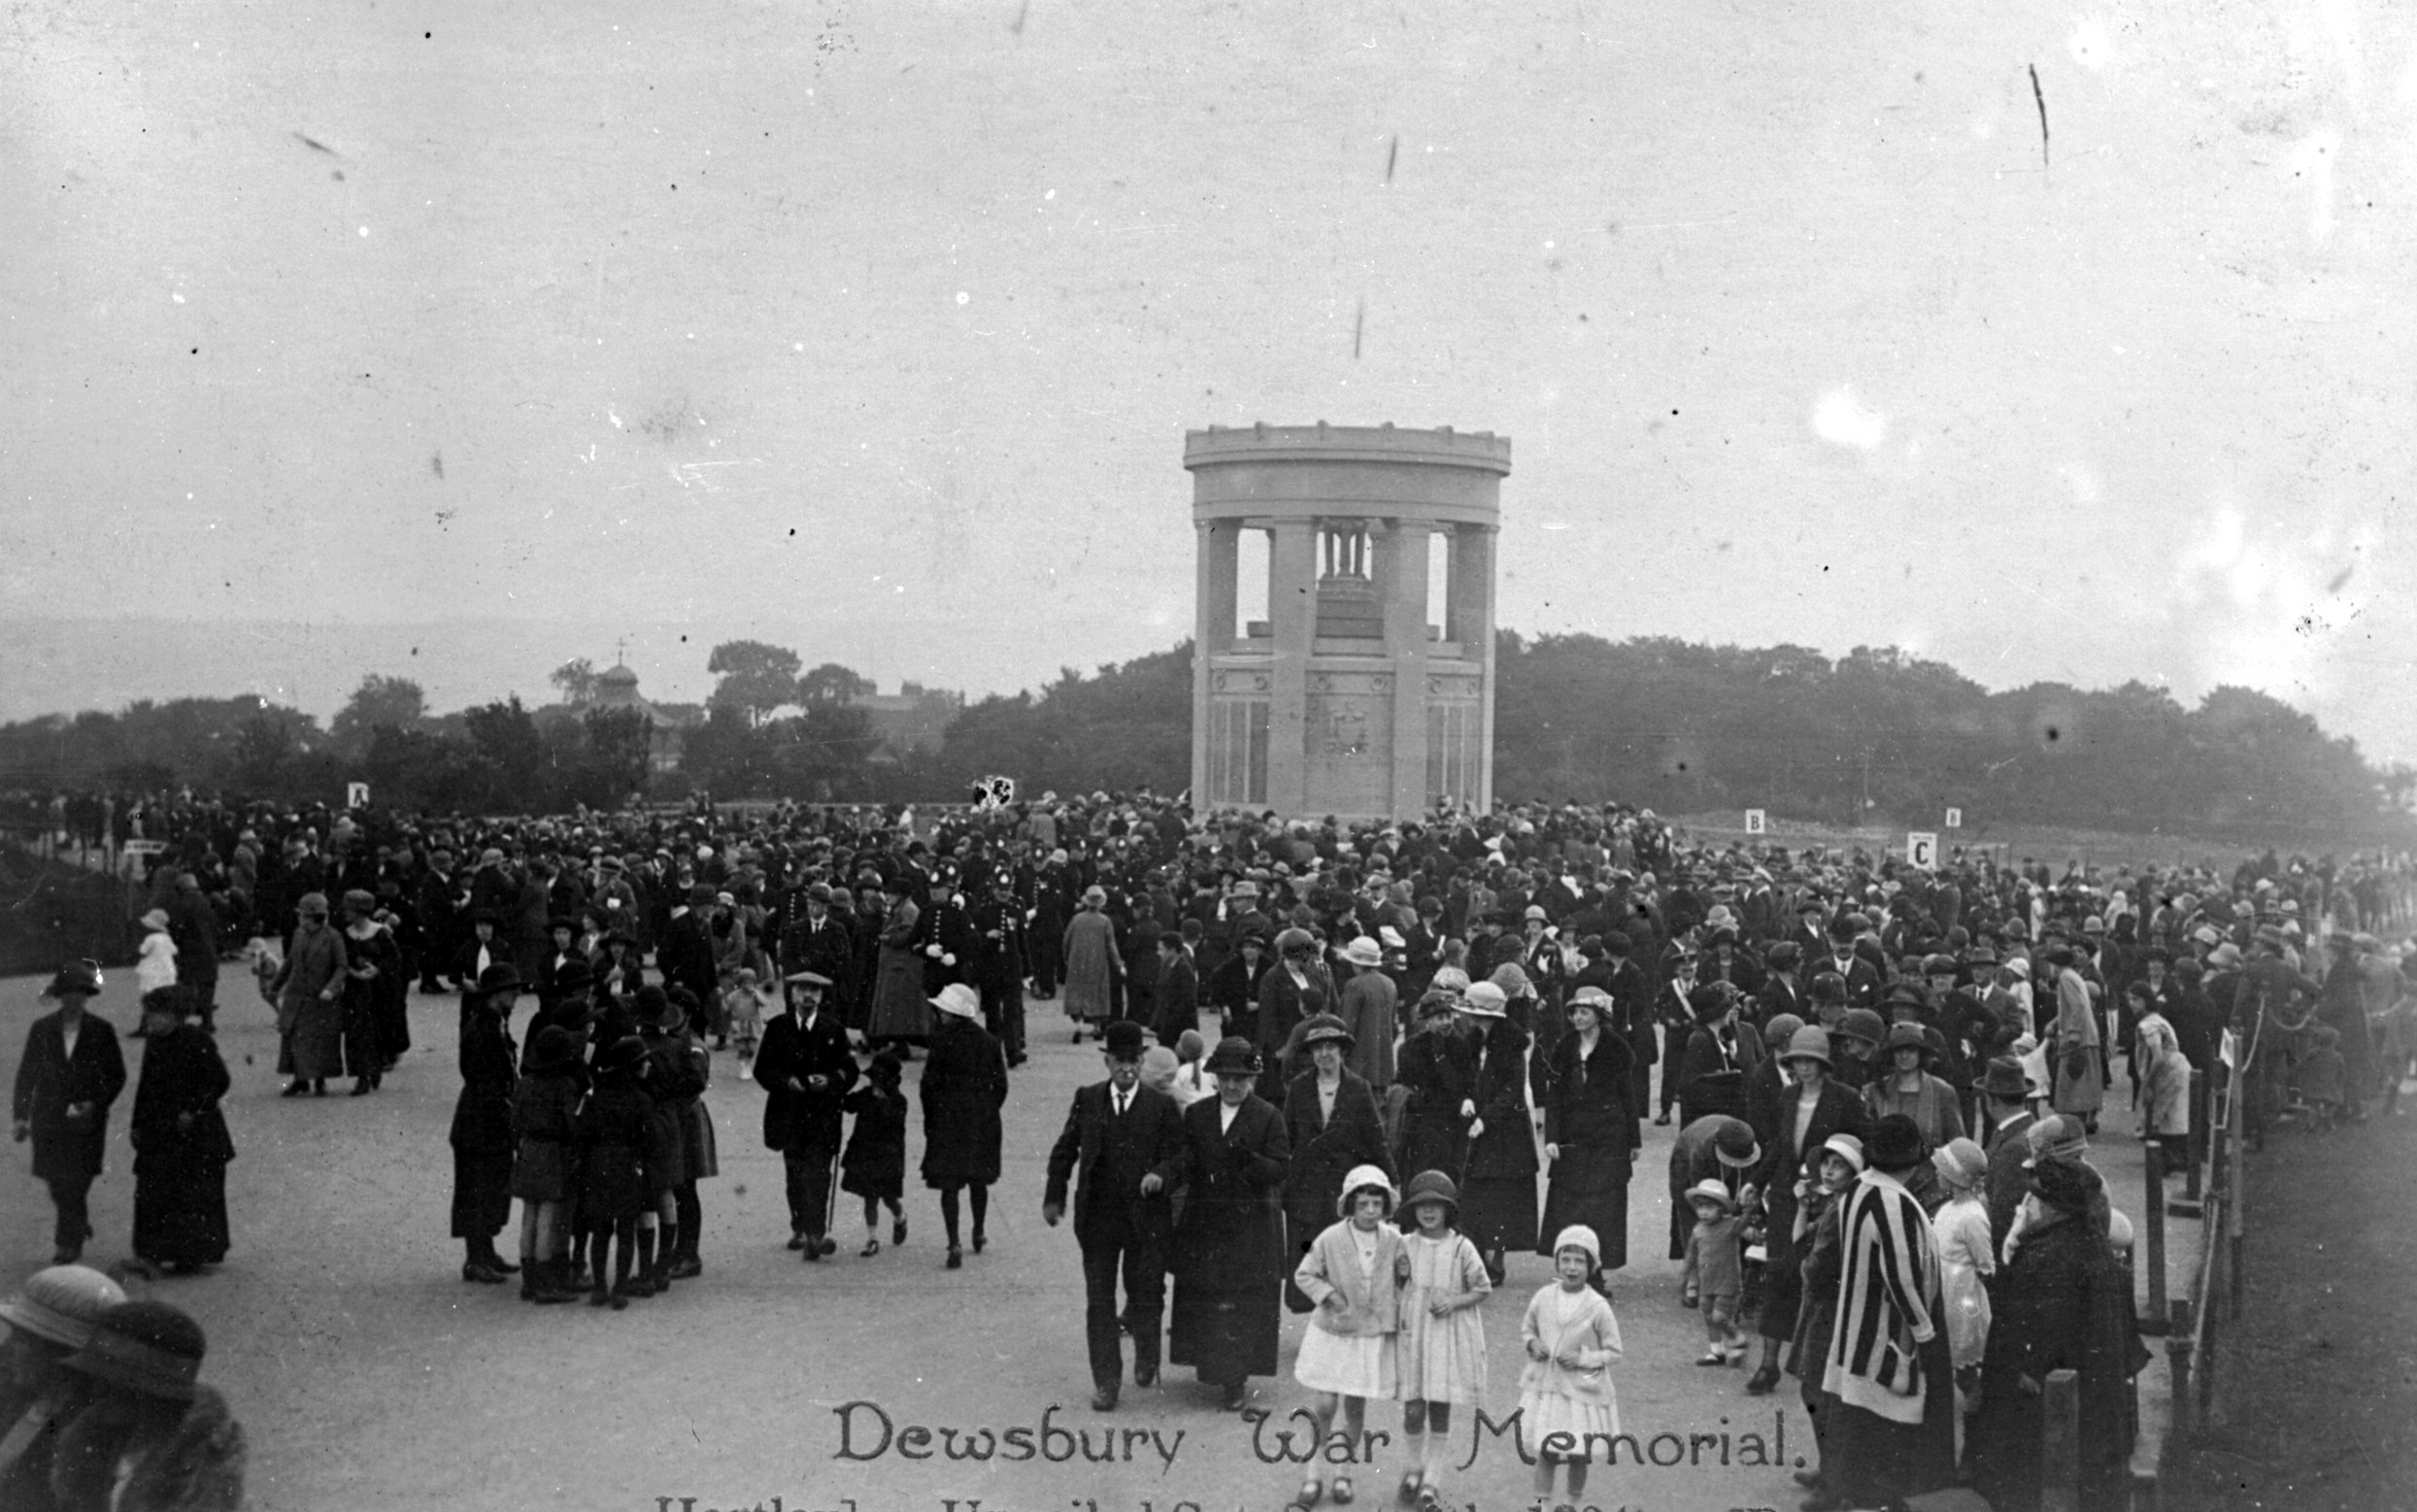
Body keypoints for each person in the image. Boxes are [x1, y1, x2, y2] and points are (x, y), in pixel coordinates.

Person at [1967, 1158, 2149, 1512]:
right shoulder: (2091, 1242)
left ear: (2053, 1207)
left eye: (2033, 1200)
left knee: (2031, 1480)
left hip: (2048, 1401)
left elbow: (2040, 1331)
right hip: (2091, 1397)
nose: (2027, 1208)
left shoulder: (2048, 1256)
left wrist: (2025, 1371)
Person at [1043, 1018, 1188, 1410]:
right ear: (1106, 1062)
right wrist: (1053, 1196)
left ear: (1142, 1063)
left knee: (1143, 1293)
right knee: (1099, 1301)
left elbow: (1181, 1156)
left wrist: (1161, 1173)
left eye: (1134, 1062)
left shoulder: (1161, 1106)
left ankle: (1146, 1354)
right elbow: (1065, 1149)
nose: (1127, 1069)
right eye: (1119, 1061)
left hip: (1145, 1221)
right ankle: (1107, 1380)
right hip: (1099, 1221)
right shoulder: (1087, 1099)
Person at [1819, 1114, 1955, 1510]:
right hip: (1889, 1338)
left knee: (1856, 1425)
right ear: (1914, 1162)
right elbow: (1902, 1280)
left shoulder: (1858, 1188)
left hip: (1855, 1334)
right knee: (1889, 1432)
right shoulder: (1895, 1202)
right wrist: (1926, 1335)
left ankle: (1848, 1496)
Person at [1158, 1035, 1292, 1412]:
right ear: (1215, 1078)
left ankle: (1235, 1380)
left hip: (1249, 1227)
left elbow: (1282, 1168)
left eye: (1240, 1078)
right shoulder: (1199, 1115)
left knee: (1241, 1304)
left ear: (1252, 1080)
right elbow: (1186, 1158)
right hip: (1206, 1222)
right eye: (1225, 1078)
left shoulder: (1268, 1116)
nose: (1232, 1085)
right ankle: (1211, 1368)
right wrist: (1165, 1175)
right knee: (1208, 1297)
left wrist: (1251, 1161)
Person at [1747, 1025, 1868, 1395]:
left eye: (1811, 1061)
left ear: (1824, 1064)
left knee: (1823, 1277)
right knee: (1780, 1273)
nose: (1803, 1067)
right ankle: (1768, 1365)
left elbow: (1859, 1148)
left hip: (1831, 1201)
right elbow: (1779, 1147)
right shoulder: (1786, 1097)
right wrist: (1757, 1181)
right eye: (1797, 1060)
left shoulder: (1845, 1099)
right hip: (1788, 1197)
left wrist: (1839, 1185)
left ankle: (1826, 1366)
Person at [45, 1300, 245, 1512]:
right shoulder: (90, 1444)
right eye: (95, 1378)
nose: (97, 1392)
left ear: (154, 1396)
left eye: (115, 1384)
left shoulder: (196, 1473)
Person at [1290, 1164, 1406, 1512]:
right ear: (1350, 1206)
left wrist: (1403, 1277)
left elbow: (1405, 1282)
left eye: (1376, 1204)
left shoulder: (1394, 1240)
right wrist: (1329, 1295)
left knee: (1355, 1406)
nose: (1370, 1211)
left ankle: (1343, 1472)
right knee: (1325, 1405)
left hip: (1369, 1336)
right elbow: (1305, 1274)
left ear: (1385, 1206)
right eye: (1363, 1204)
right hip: (1334, 1332)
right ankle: (1313, 1474)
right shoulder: (1330, 1238)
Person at [13, 962, 127, 1264]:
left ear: (87, 996)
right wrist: (21, 1116)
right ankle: (76, 1220)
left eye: (81, 994)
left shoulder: (101, 1030)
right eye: (69, 994)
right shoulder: (42, 1029)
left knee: (77, 1180)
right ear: (60, 996)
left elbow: (116, 1074)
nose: (74, 1000)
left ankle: (68, 1243)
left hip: (86, 1120)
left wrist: (96, 1103)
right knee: (56, 1181)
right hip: (48, 1117)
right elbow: (27, 1074)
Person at [1393, 1170, 1492, 1511]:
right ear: (1412, 1210)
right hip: (1414, 1339)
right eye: (1422, 1206)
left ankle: (1431, 1481)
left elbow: (1482, 1288)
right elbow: (1392, 1286)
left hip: (1446, 1340)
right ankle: (1413, 1468)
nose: (1429, 1212)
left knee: (1438, 1408)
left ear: (1449, 1209)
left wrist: (1452, 1301)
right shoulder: (1405, 1245)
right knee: (1412, 1409)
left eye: (1437, 1205)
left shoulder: (1461, 1247)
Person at [1282, 1015, 1393, 1307]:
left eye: (1330, 1046)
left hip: (1342, 1188)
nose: (1324, 1054)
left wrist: (1392, 1180)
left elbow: (1375, 1139)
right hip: (1306, 1188)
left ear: (1342, 1050)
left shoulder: (1358, 1088)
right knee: (1309, 1259)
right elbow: (1286, 1138)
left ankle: (1343, 1322)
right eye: (1317, 1048)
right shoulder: (1299, 1087)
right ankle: (1312, 1332)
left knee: (1343, 1258)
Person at [125, 987, 234, 1279]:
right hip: (158, 1130)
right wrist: (136, 1123)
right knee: (152, 1190)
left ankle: (192, 1254)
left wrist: (193, 1110)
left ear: (174, 1015)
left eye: (156, 1013)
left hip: (196, 1133)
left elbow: (220, 1081)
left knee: (192, 1193)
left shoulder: (196, 1039)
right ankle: (151, 1254)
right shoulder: (154, 1042)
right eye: (149, 1012)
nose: (150, 1019)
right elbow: (145, 1087)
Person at [0, 1263, 126, 1507]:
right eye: (14, 1333)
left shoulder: (88, 1435)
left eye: (25, 1339)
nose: (9, 1348)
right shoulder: (19, 1385)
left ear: (65, 1356)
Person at [1517, 1225, 1624, 1510]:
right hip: (1547, 1389)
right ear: (1556, 1263)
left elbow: (1614, 1351)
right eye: (1565, 1259)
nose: (1572, 1267)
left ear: (1592, 1266)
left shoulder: (1597, 1306)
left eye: (1580, 1261)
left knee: (1578, 1453)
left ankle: (1572, 1503)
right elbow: (1528, 1328)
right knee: (1547, 1450)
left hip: (1580, 1391)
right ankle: (1541, 1503)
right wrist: (1532, 1343)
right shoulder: (1543, 1297)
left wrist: (1583, 1358)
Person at [755, 970, 859, 1260]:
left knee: (819, 1174)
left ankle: (816, 1233)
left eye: (814, 990)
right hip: (789, 1114)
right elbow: (762, 1070)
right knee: (795, 1174)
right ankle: (799, 1226)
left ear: (822, 996)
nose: (807, 996)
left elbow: (850, 1070)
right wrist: (786, 1082)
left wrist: (831, 1081)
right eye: (802, 990)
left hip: (823, 1115)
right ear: (791, 995)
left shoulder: (833, 1030)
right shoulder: (777, 1027)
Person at [1536, 986, 1638, 1282]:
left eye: (1584, 1012)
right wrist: (1552, 1137)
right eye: (1574, 1012)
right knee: (1571, 1206)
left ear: (1599, 1015)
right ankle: (1571, 1269)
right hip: (1572, 1138)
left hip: (1609, 1138)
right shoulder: (1564, 1047)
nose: (1577, 1018)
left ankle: (1596, 1275)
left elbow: (1627, 1094)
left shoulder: (1616, 1049)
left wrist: (1634, 1139)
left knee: (1603, 1207)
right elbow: (1554, 1095)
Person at [1786, 1132, 1863, 1506]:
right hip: (1821, 1306)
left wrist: (1805, 1267)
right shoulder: (1835, 1203)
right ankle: (1828, 1469)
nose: (1830, 1171)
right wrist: (1802, 1208)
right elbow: (1800, 1239)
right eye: (1827, 1163)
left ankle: (1834, 1485)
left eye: (1839, 1165)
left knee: (1819, 1390)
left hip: (1828, 1308)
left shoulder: (1843, 1208)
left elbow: (1813, 1264)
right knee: (1816, 1389)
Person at [922, 983, 1009, 1270]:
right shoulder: (990, 1042)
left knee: (950, 1185)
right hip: (982, 1122)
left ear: (950, 1014)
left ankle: (954, 1241)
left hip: (948, 1123)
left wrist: (932, 1119)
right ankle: (979, 1230)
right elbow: (1001, 1087)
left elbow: (928, 1086)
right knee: (978, 1179)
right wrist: (986, 1110)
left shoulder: (940, 1042)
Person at [1458, 985, 1538, 1288]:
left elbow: (1513, 1090)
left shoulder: (1511, 1042)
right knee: (1476, 1193)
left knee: (1504, 1196)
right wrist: (1467, 1097)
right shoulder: (1475, 1039)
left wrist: (1486, 1118)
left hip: (1507, 1131)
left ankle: (1498, 1261)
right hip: (1480, 1124)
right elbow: (1470, 1075)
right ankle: (1476, 1257)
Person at [575, 1035, 656, 1310]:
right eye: (644, 1061)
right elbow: (649, 1139)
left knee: (600, 1230)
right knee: (625, 1230)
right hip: (628, 1165)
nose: (648, 1065)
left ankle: (599, 1287)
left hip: (599, 1166)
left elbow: (582, 1134)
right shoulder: (641, 1099)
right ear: (634, 1067)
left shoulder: (596, 1096)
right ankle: (620, 1288)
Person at [508, 1025, 587, 1303]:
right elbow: (571, 1123)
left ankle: (529, 1281)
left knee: (529, 1214)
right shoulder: (565, 1085)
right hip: (553, 1152)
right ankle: (546, 1283)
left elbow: (513, 1121)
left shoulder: (525, 1083)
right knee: (548, 1217)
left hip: (528, 1149)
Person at [1930, 1135, 1995, 1457]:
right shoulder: (1946, 1209)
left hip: (1962, 1300)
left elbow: (1986, 1264)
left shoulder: (1971, 1215)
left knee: (1966, 1370)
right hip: (1943, 1295)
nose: (1937, 1175)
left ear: (1954, 1176)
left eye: (1942, 1170)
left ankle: (1975, 1443)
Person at [270, 893, 346, 1096]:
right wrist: (275, 985)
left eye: (302, 915)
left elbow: (341, 967)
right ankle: (300, 1079)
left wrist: (331, 988)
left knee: (321, 1039)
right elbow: (290, 962)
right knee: (294, 1038)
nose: (300, 919)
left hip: (321, 997)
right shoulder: (299, 934)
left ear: (312, 916)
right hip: (298, 995)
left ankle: (320, 1080)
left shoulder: (333, 937)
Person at [841, 1050, 910, 1258]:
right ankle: (872, 1239)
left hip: (888, 1157)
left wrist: (882, 1103)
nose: (874, 1084)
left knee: (889, 1199)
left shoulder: (898, 1101)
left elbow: (892, 1123)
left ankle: (900, 1217)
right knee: (870, 1198)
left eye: (878, 1079)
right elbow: (849, 1104)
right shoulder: (866, 1095)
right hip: (865, 1154)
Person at [1863, 1022, 1965, 1151]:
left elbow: (1958, 1141)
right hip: (1888, 1166)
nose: (1904, 1056)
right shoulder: (1875, 1090)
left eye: (1911, 1050)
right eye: (1899, 1050)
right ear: (1891, 1054)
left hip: (1929, 1167)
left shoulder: (1942, 1091)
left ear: (1920, 1053)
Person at [1679, 1179, 1749, 1365]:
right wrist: (1685, 1278)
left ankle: (1738, 1339)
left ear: (1721, 1208)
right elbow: (1691, 1255)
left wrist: (1749, 1209)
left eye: (1709, 1207)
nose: (1703, 1211)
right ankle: (1716, 1351)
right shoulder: (1698, 1230)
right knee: (1708, 1316)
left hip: (1727, 1280)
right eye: (1700, 1207)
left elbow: (1744, 1223)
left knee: (1719, 1317)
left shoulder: (1731, 1225)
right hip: (1706, 1280)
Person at [338, 890, 399, 1093]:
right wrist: (353, 973)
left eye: (349, 910)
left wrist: (378, 969)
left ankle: (376, 1066)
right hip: (355, 989)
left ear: (359, 912)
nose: (345, 913)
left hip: (377, 989)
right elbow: (341, 961)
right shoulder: (346, 934)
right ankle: (361, 1076)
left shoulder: (380, 932)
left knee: (375, 1031)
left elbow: (394, 959)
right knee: (356, 1032)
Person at [2128, 982, 2193, 1168]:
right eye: (2130, 999)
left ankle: (2166, 1159)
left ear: (2147, 1000)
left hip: (2168, 1070)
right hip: (2176, 1067)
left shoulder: (2148, 1025)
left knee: (2160, 1114)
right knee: (2169, 1115)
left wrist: (2147, 1083)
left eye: (2136, 999)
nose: (2132, 1004)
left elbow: (2157, 1057)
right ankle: (2172, 1157)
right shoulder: (2157, 1019)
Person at [2042, 946, 2104, 1134]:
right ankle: (2083, 1121)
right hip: (2087, 1036)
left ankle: (2075, 1124)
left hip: (2078, 1039)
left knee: (2073, 1082)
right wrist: (2055, 1025)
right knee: (2083, 1082)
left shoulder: (2065, 978)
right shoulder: (2074, 975)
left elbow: (2077, 1006)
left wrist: (2074, 1034)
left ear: (2056, 964)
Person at [867, 878, 931, 1054]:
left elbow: (911, 932)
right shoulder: (901, 908)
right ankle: (897, 1041)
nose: (888, 896)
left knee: (899, 1005)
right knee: (896, 1005)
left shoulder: (908, 909)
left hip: (902, 965)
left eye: (892, 893)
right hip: (898, 963)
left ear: (901, 895)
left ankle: (900, 1043)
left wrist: (890, 939)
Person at [1061, 886, 1122, 1044]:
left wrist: (1067, 958)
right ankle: (1096, 1028)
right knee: (1097, 994)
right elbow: (1111, 945)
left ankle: (1078, 1027)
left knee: (1078, 994)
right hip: (1098, 962)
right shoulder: (1105, 921)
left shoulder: (1077, 919)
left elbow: (1066, 940)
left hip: (1077, 961)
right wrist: (1118, 964)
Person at [1151, 931, 1200, 1053]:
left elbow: (1187, 1000)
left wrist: (1169, 1023)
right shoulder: (1167, 965)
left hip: (1177, 1026)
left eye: (1162, 950)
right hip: (1166, 1023)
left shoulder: (1183, 969)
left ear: (1172, 950)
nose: (1159, 953)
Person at [135, 910, 179, 998]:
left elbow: (143, 951)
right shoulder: (166, 938)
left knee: (150, 988)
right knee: (165, 987)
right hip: (166, 966)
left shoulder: (150, 939)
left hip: (152, 967)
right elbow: (174, 951)